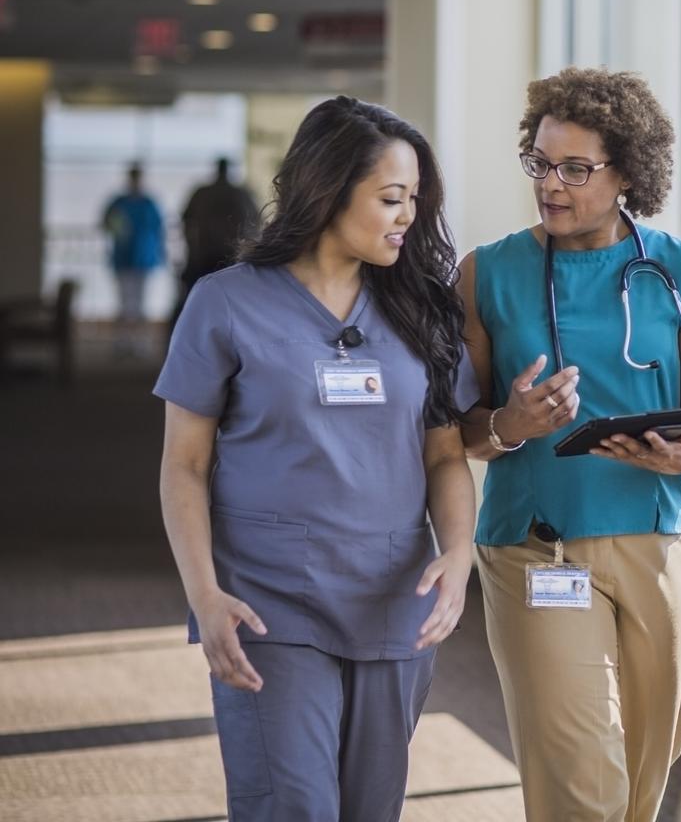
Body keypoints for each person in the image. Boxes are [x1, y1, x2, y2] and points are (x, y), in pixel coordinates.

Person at [155, 97, 480, 821]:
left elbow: (445, 457)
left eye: (415, 201)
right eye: (391, 199)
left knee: (371, 809)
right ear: (328, 190)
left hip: (392, 599)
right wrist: (203, 594)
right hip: (268, 602)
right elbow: (184, 465)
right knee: (293, 805)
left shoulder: (421, 310)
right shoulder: (226, 303)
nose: (408, 217)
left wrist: (458, 555)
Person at [459, 67, 681, 822]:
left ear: (627, 174)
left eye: (575, 168)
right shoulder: (486, 273)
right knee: (581, 777)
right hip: (535, 543)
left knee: (650, 759)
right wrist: (509, 425)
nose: (550, 184)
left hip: (655, 535)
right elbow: (454, 431)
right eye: (540, 163)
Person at [174, 156, 260, 327]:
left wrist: (191, 250)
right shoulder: (241, 193)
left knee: (191, 304)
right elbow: (255, 226)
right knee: (235, 305)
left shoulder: (203, 193)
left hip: (204, 256)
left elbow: (186, 222)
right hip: (231, 257)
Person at [101, 163, 165, 351]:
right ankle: (122, 341)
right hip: (123, 258)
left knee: (141, 303)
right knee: (124, 302)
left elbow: (158, 230)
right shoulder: (119, 202)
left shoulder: (148, 203)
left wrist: (161, 254)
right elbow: (106, 224)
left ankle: (139, 342)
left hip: (144, 259)